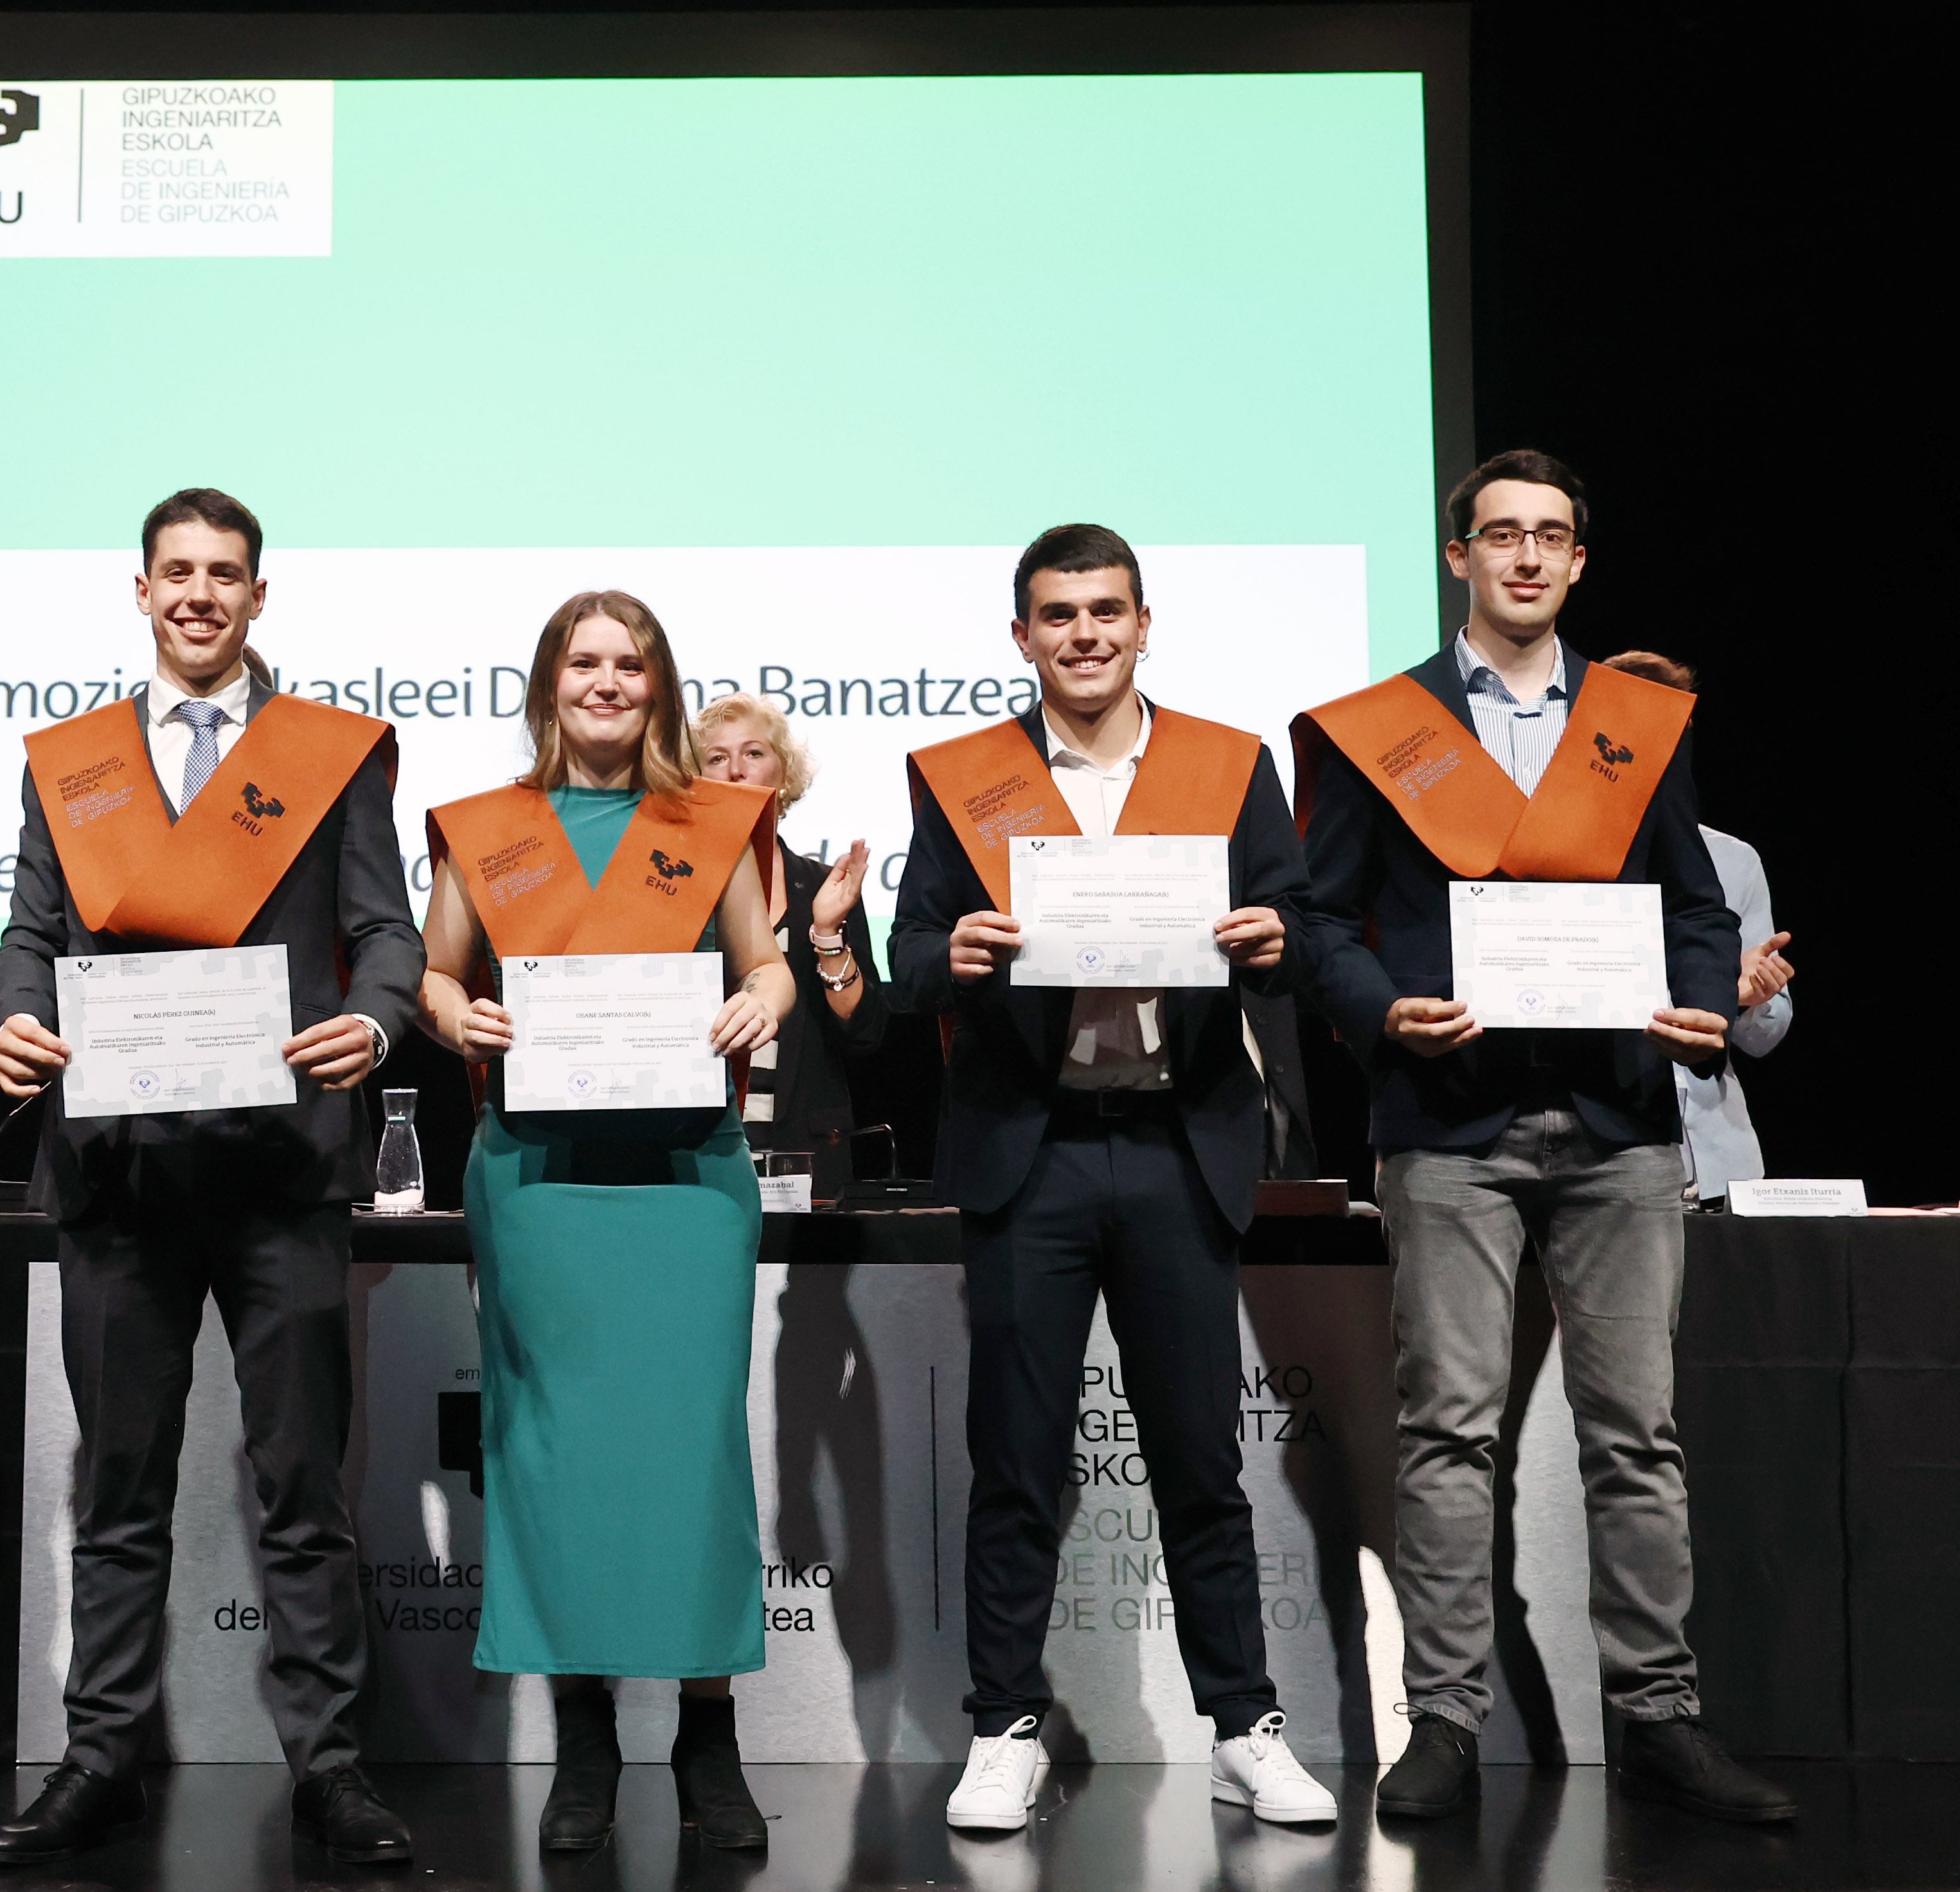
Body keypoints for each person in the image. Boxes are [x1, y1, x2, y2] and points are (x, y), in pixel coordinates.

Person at [1293, 451, 1794, 1824]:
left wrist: (1702, 999)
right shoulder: (1377, 727)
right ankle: (1444, 1722)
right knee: (1448, 1432)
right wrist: (1381, 1011)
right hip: (1448, 1121)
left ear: (1578, 561)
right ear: (1458, 554)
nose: (1525, 555)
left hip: (1621, 1116)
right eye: (1501, 533)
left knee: (1637, 1434)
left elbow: (1697, 903)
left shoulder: (1638, 720)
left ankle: (1661, 1719)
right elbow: (1322, 921)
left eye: (1551, 535)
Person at [0, 490, 424, 1868]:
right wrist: (13, 1013)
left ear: (257, 595)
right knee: (118, 1490)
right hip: (118, 1173)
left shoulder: (328, 752)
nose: (199, 594)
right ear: (140, 589)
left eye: (224, 573)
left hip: (283, 1166)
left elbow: (387, 933)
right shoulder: (73, 763)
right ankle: (101, 1758)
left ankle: (330, 1768)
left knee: (303, 1486)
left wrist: (380, 1020)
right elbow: (28, 934)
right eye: (176, 571)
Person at [892, 524, 1338, 1832]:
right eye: (1057, 614)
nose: (1083, 634)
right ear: (1020, 635)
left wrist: (1273, 941)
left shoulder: (1227, 762)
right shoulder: (964, 775)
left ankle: (1244, 1726)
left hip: (1175, 1144)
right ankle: (1003, 1725)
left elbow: (1306, 931)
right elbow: (907, 957)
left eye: (1105, 611)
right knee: (1017, 1461)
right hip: (1028, 1150)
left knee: (1200, 1457)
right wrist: (951, 953)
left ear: (1145, 624)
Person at [421, 591, 794, 1853]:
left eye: (630, 664)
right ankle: (583, 1738)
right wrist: (456, 1014)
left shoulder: (714, 820)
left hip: (686, 1180)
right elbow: (435, 972)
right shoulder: (488, 828)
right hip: (541, 1177)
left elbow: (766, 961)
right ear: (549, 683)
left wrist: (766, 997)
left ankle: (707, 1734)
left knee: (695, 1452)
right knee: (552, 1451)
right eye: (584, 661)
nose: (607, 681)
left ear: (659, 687)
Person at [1596, 653, 1796, 1203]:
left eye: (1674, 727)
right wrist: (1714, 992)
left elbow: (1764, 1037)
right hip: (1606, 1155)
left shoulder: (1733, 859)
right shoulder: (1566, 853)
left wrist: (1748, 998)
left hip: (1720, 1157)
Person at [695, 691, 888, 1190]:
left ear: (783, 774)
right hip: (702, 1150)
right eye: (716, 758)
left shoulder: (823, 887)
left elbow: (864, 1033)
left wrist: (826, 934)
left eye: (754, 753)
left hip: (806, 1155)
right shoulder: (674, 888)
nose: (736, 770)